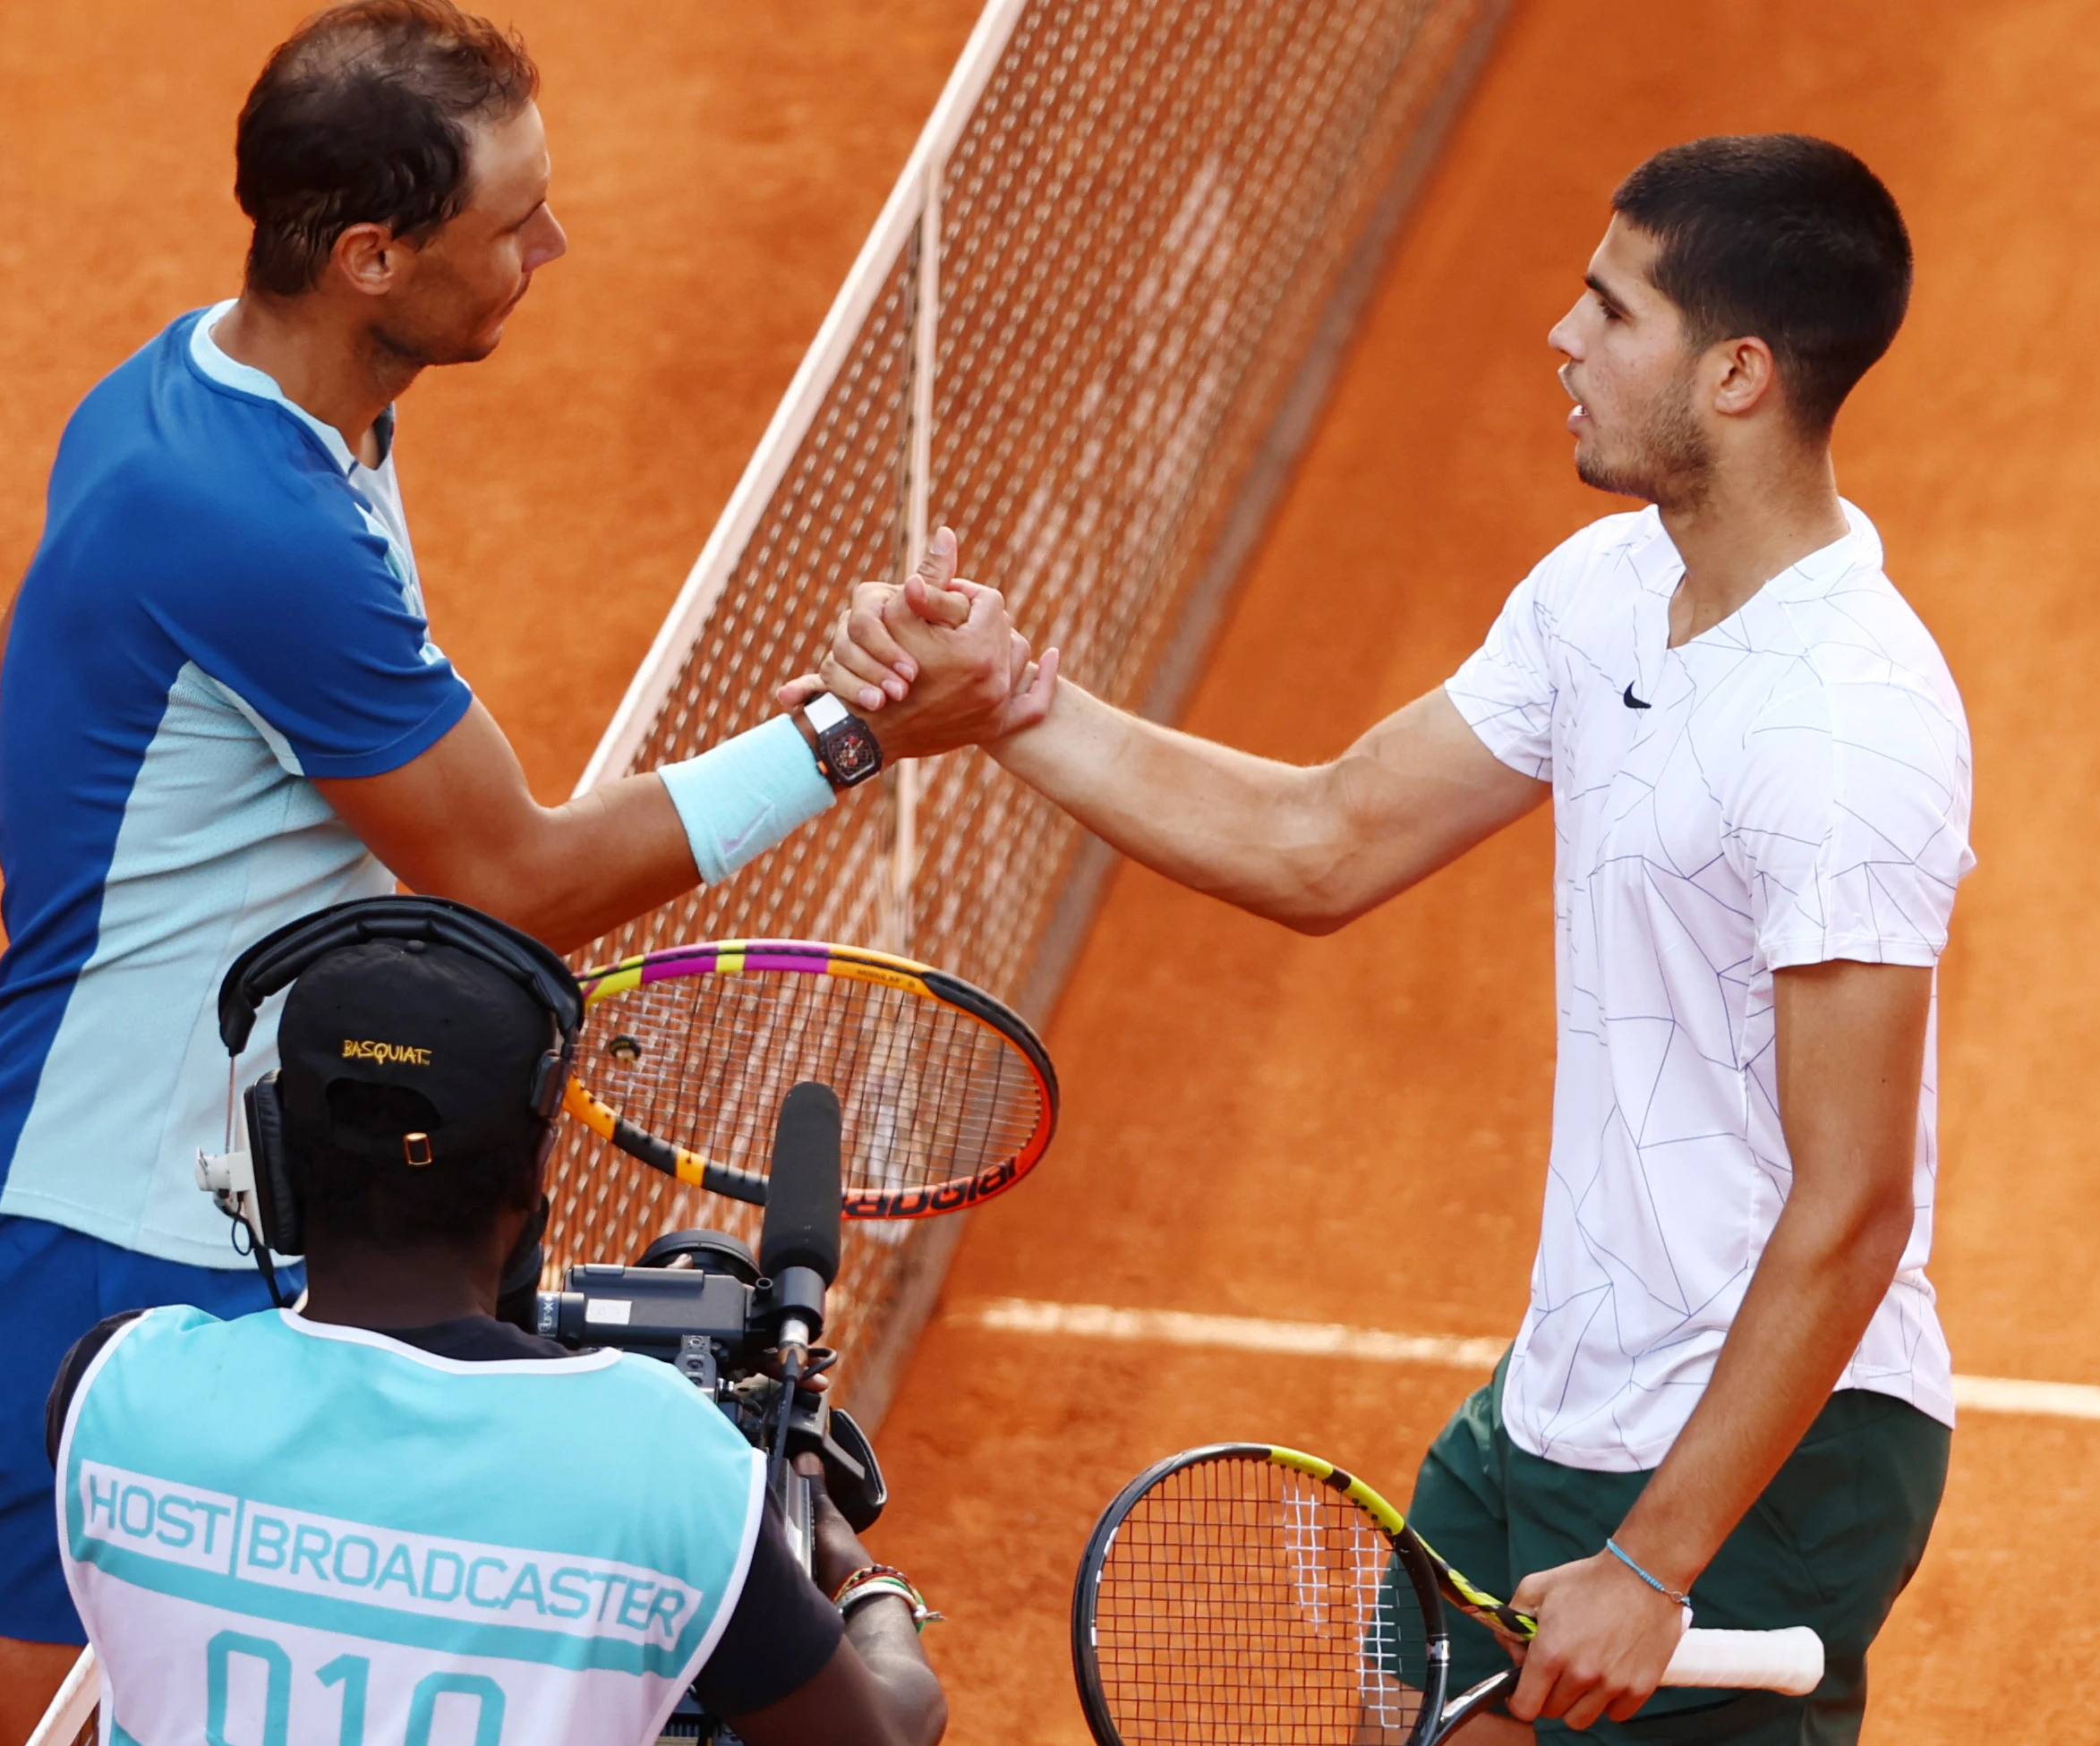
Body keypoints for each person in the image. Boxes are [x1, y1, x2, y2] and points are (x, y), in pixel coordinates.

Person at [0, 4, 1022, 1738]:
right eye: (512, 226)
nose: (547, 249)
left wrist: (242, 847)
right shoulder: (252, 520)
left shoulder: (197, 397)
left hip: (174, 1199)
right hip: (90, 1250)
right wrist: (854, 732)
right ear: (367, 258)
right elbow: (519, 879)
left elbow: (14, 654)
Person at [819, 135, 1967, 1742]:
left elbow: (1849, 1206)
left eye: (1607, 309)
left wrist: (1649, 1561)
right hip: (1562, 1389)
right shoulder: (1606, 592)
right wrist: (1008, 705)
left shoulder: (1846, 728)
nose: (1560, 339)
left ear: (1735, 376)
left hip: (1767, 1444)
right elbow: (1324, 837)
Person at [45, 912, 947, 1746]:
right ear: (531, 1184)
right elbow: (886, 1732)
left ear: (273, 1157)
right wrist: (864, 1580)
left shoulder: (114, 1390)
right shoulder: (664, 1460)